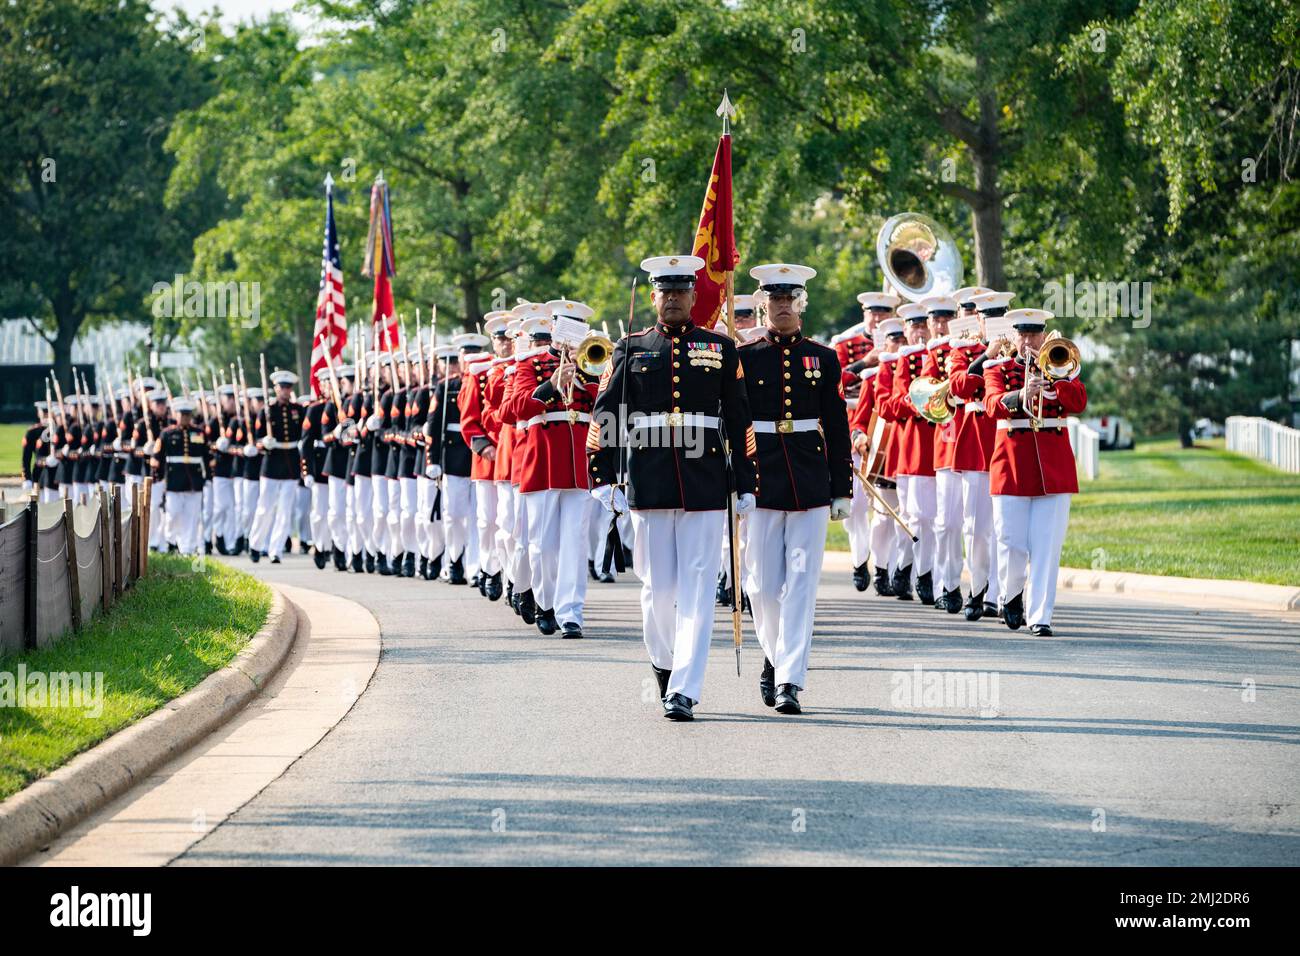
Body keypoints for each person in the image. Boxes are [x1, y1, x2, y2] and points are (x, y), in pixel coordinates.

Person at [588, 254, 756, 722]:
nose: (674, 298)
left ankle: (685, 687)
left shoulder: (721, 349)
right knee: (657, 589)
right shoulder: (630, 347)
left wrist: (745, 481)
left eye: (682, 290)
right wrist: (602, 477)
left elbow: (739, 418)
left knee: (699, 587)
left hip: (705, 482)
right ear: (655, 296)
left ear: (693, 295)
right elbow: (606, 415)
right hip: (650, 478)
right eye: (666, 291)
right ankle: (664, 664)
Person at [738, 263, 851, 715]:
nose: (782, 306)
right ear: (763, 303)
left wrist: (841, 487)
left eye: (790, 299)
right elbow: (734, 423)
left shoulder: (823, 358)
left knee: (801, 585)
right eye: (775, 299)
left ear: (801, 304)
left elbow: (837, 424)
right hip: (761, 476)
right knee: (762, 587)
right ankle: (774, 653)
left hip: (809, 478)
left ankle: (789, 679)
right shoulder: (743, 357)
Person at [982, 308, 1088, 635]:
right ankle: (1011, 594)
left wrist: (1056, 386)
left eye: (1034, 335)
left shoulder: (1061, 367)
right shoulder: (997, 368)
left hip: (1053, 467)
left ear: (1044, 336)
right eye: (1022, 335)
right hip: (1012, 464)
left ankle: (1040, 616)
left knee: (1047, 546)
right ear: (1013, 337)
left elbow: (1080, 401)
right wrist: (1020, 395)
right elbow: (990, 404)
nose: (1028, 341)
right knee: (1010, 541)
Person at [505, 302, 600, 638]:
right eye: (566, 329)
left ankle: (571, 612)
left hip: (578, 461)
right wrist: (549, 386)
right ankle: (545, 602)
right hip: (543, 459)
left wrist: (588, 376)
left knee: (575, 541)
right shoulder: (530, 364)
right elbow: (512, 409)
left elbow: (606, 406)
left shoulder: (593, 364)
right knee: (543, 543)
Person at [946, 290, 1012, 620]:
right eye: (989, 319)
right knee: (975, 526)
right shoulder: (964, 349)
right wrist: (987, 354)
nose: (995, 324)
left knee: (1005, 527)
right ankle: (977, 587)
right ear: (979, 321)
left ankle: (1001, 593)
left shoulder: (1020, 353)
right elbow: (958, 387)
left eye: (1001, 317)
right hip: (975, 441)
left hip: (1008, 440)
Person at [883, 302, 937, 604]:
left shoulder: (944, 355)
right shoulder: (905, 360)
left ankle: (924, 572)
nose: (920, 331)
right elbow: (890, 406)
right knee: (916, 519)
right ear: (906, 330)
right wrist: (919, 398)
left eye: (923, 325)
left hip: (944, 447)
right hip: (914, 448)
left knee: (939, 521)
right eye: (914, 326)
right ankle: (909, 568)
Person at [248, 370, 304, 564]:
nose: (285, 391)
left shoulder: (298, 409)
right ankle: (255, 545)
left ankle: (276, 550)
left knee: (285, 510)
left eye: (288, 388)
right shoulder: (267, 410)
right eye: (282, 388)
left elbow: (302, 434)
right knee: (265, 507)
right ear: (275, 388)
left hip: (290, 464)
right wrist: (264, 442)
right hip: (271, 463)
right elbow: (256, 440)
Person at [153, 397, 207, 556]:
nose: (185, 418)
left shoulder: (199, 433)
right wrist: (159, 478)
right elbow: (158, 457)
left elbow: (206, 455)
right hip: (174, 481)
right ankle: (170, 541)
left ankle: (187, 548)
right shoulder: (167, 434)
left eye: (188, 414)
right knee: (172, 515)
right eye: (182, 414)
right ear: (176, 415)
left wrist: (208, 478)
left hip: (194, 482)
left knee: (191, 516)